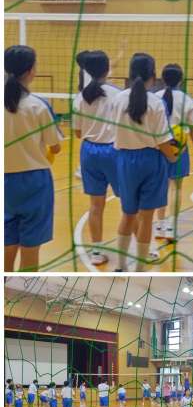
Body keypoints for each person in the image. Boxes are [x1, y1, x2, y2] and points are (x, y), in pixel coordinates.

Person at [110, 53, 177, 272]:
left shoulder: (118, 99)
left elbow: (113, 131)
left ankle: (120, 266)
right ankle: (140, 267)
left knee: (128, 214)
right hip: (151, 161)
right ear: (153, 75)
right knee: (146, 218)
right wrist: (173, 156)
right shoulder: (156, 103)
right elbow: (162, 140)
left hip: (124, 160)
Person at [5, 45, 62, 271]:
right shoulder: (38, 105)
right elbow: (55, 146)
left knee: (6, 245)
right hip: (34, 182)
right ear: (31, 70)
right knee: (30, 249)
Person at [73, 50, 121, 266]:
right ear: (106, 69)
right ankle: (140, 249)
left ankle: (96, 251)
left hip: (89, 152)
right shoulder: (118, 94)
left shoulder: (80, 97)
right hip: (114, 151)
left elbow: (78, 132)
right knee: (129, 203)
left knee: (95, 206)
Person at [155, 63, 193, 240]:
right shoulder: (186, 99)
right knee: (177, 187)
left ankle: (159, 226)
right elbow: (192, 127)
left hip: (159, 145)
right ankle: (171, 228)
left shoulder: (155, 97)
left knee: (161, 186)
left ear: (163, 78)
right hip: (179, 147)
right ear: (181, 80)